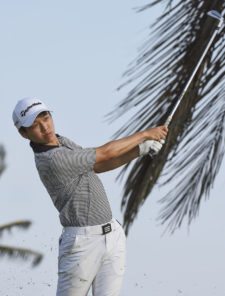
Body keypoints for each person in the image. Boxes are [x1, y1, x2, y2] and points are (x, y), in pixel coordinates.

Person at [12, 97, 168, 296]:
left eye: (46, 117)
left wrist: (140, 150)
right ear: (24, 134)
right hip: (81, 244)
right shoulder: (52, 160)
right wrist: (145, 134)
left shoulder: (62, 142)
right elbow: (104, 153)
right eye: (35, 125)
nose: (45, 127)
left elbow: (97, 166)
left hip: (113, 236)